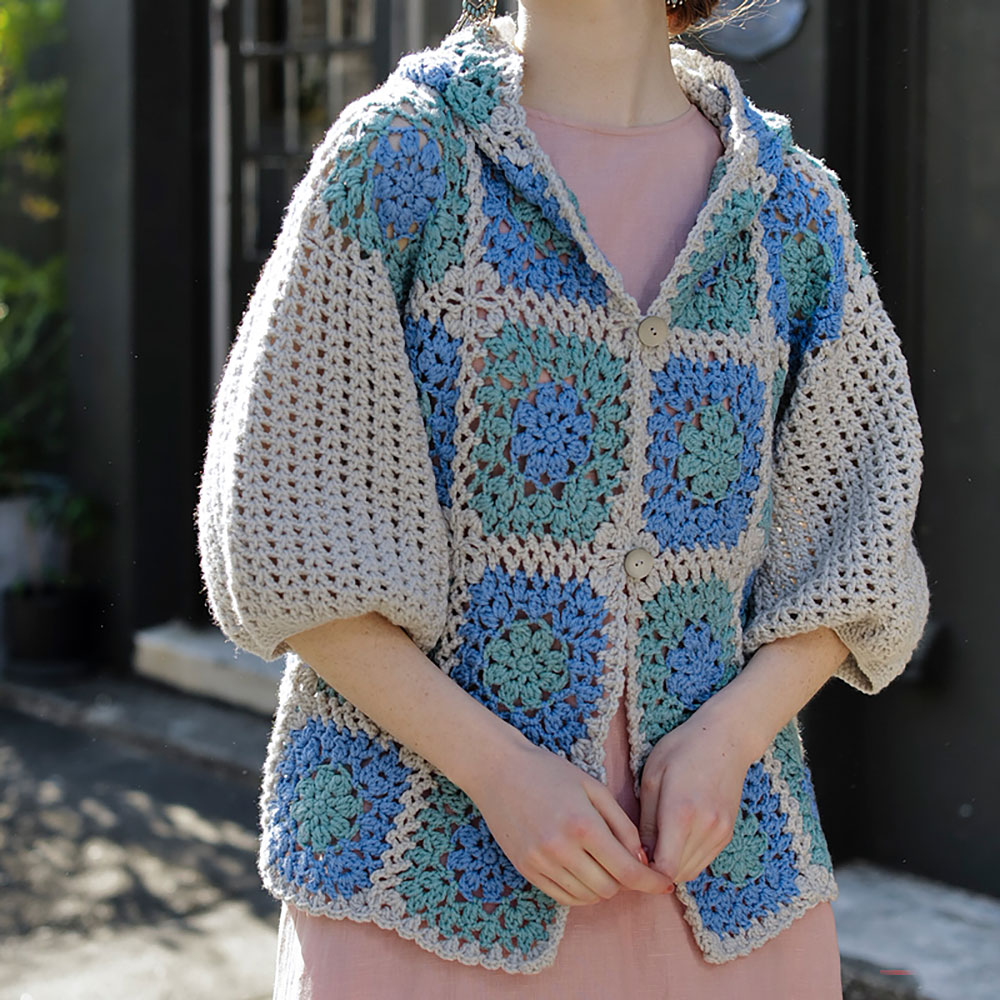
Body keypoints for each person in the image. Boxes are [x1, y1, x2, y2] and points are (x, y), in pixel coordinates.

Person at [195, 1, 931, 997]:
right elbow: (291, 542)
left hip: (718, 884)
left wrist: (732, 736)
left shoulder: (790, 209)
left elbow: (861, 541)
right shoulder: (397, 163)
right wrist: (498, 771)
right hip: (413, 889)